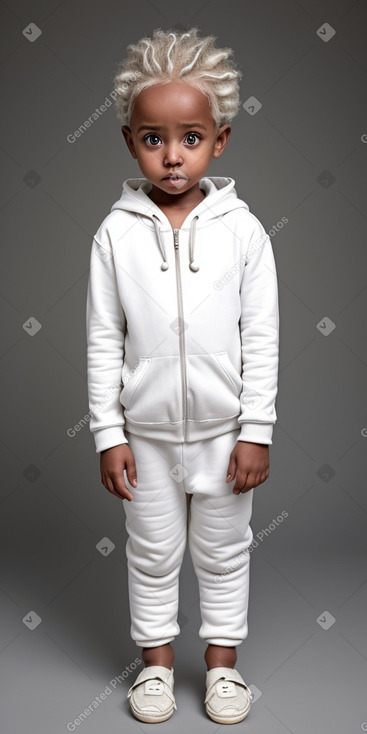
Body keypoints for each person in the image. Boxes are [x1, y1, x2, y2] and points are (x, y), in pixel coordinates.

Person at [86, 26, 280, 725]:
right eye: (153, 138)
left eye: (190, 138)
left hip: (225, 435)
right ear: (130, 140)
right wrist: (110, 434)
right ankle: (156, 670)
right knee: (151, 555)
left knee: (225, 554)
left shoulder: (244, 232)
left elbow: (261, 336)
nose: (172, 156)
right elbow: (103, 338)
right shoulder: (115, 233)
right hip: (148, 438)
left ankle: (222, 672)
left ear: (219, 140)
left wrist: (254, 430)